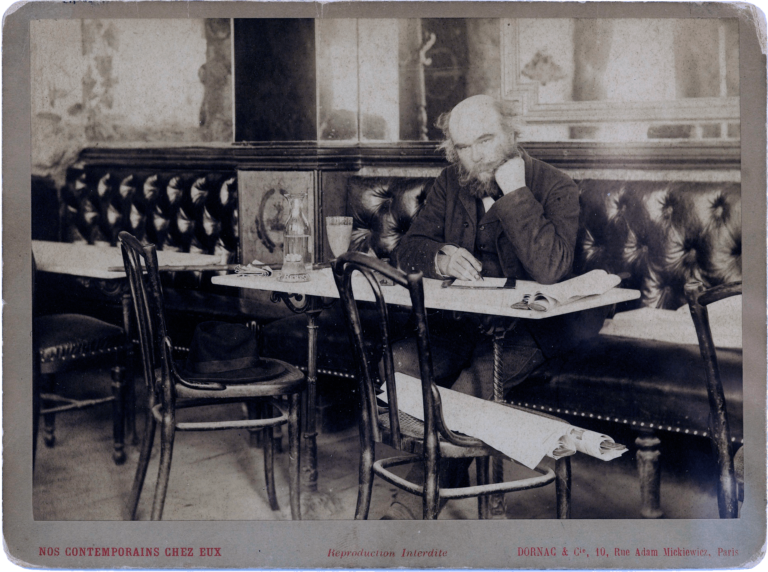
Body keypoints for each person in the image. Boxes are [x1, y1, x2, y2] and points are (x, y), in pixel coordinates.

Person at [384, 94, 604, 519]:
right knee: (395, 369)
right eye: (463, 147)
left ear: (512, 133)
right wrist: (440, 257)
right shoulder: (452, 182)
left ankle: (415, 506)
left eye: (485, 140)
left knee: (470, 387)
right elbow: (408, 248)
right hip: (466, 323)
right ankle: (449, 470)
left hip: (535, 331)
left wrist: (516, 191)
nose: (475, 157)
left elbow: (552, 269)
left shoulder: (557, 185)